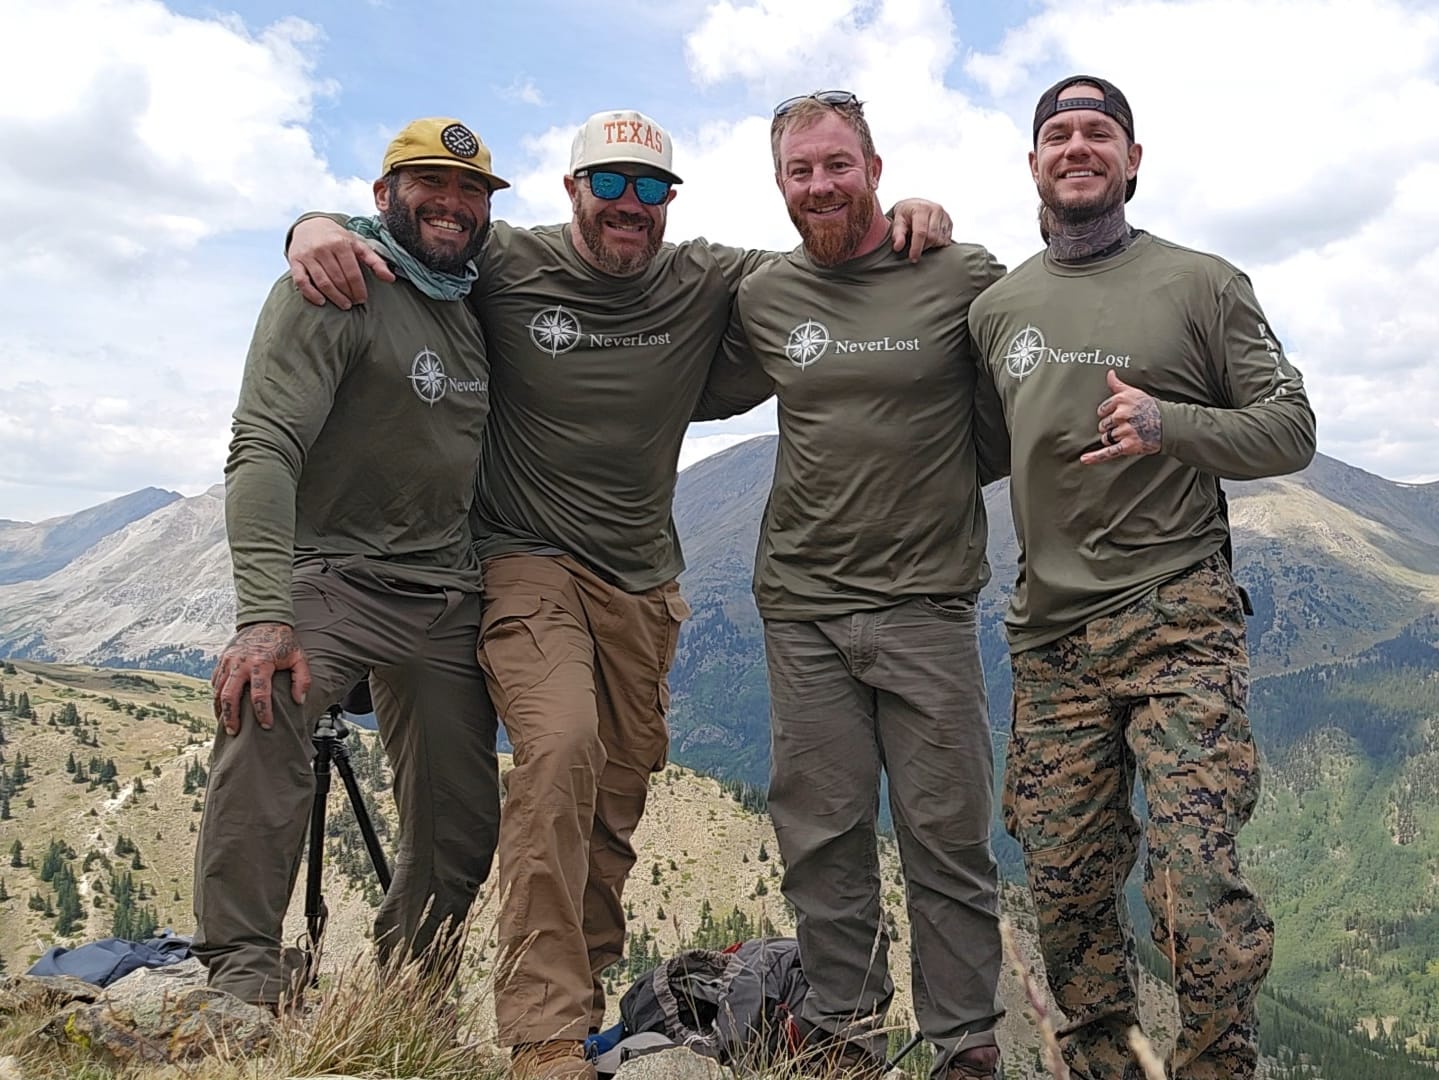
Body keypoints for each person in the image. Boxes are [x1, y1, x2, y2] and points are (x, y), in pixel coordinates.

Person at [284, 109, 951, 1080]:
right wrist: (313, 224)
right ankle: (542, 1033)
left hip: (643, 584)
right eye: (609, 183)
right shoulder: (508, 261)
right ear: (573, 189)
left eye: (649, 187)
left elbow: (827, 253)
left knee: (613, 803)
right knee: (560, 751)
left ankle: (581, 1007)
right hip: (524, 562)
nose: (629, 204)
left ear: (668, 200)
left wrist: (905, 218)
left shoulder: (703, 275)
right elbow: (417, 231)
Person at [968, 76, 1318, 1079]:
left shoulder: (1203, 285)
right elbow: (981, 449)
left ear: (1132, 160)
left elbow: (1290, 429)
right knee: (1066, 894)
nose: (1077, 147)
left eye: (1099, 133)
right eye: (1058, 134)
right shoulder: (998, 310)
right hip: (1051, 642)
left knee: (1194, 887)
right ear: (1034, 163)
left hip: (1180, 620)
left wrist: (1170, 425)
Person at [699, 90, 1005, 1079]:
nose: (821, 185)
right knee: (822, 837)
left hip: (928, 606)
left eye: (839, 164)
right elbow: (651, 308)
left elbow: (1017, 404)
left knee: (947, 839)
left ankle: (964, 1044)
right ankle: (842, 1034)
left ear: (875, 168)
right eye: (801, 170)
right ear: (779, 183)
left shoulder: (958, 273)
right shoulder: (764, 292)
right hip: (804, 608)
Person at [200, 117, 508, 1009]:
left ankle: (408, 1000)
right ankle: (243, 976)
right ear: (383, 196)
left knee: (460, 818)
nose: (452, 203)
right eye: (429, 184)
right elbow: (264, 442)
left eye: (471, 190)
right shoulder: (333, 287)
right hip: (335, 575)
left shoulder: (474, 292)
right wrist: (264, 615)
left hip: (445, 592)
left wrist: (311, 218)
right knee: (264, 706)